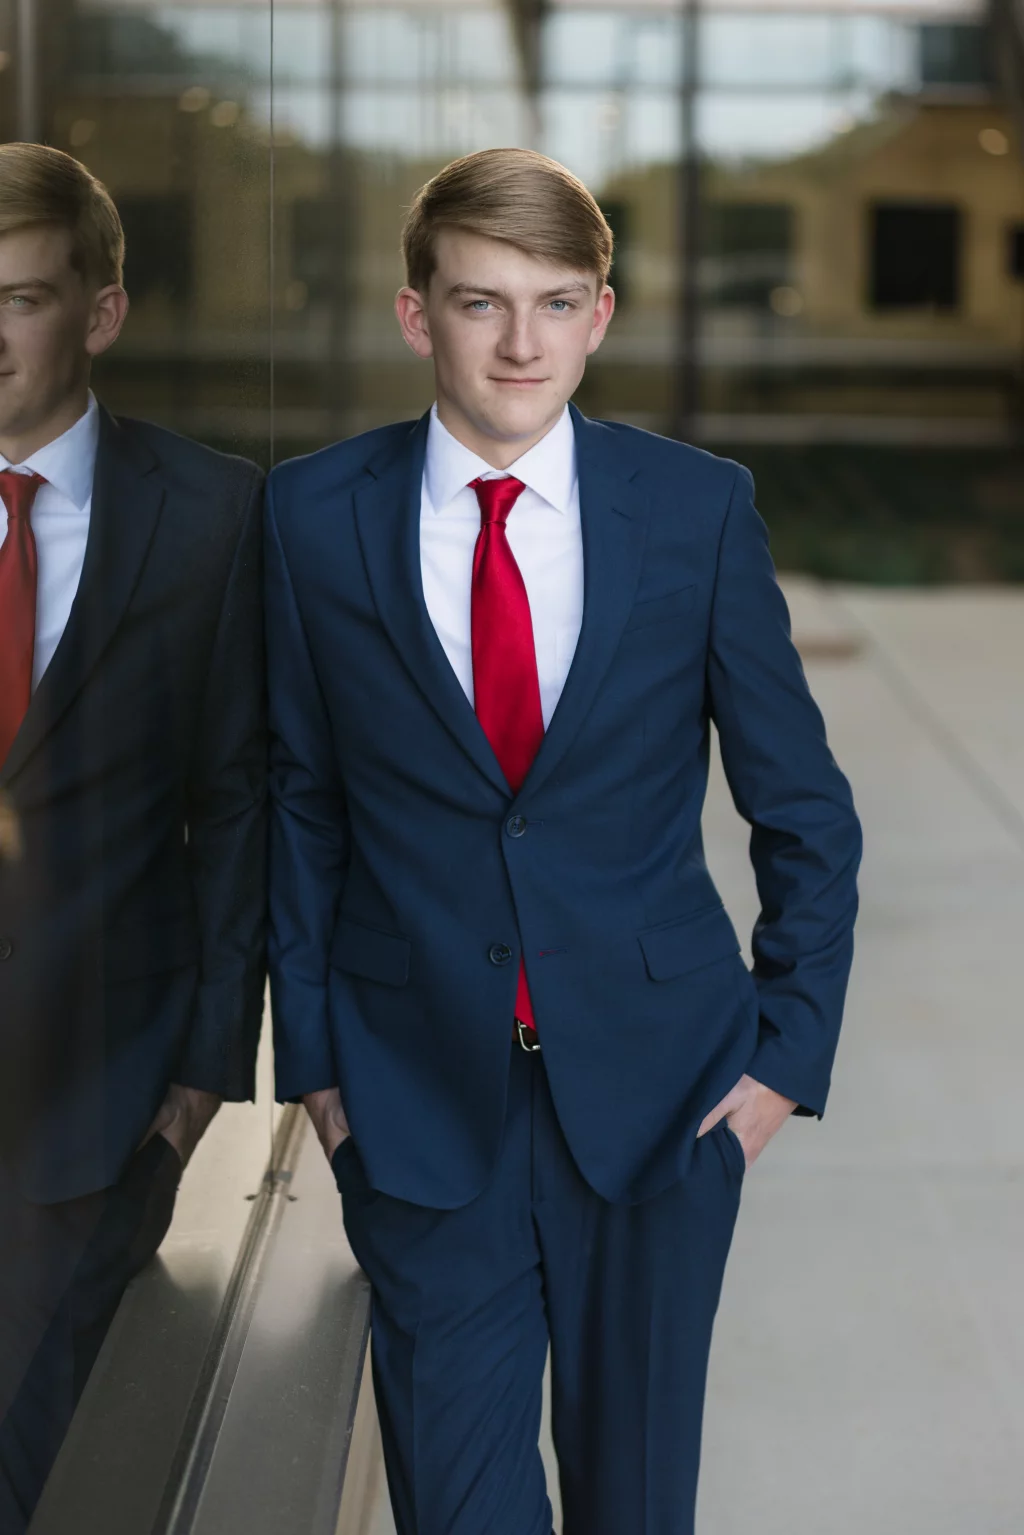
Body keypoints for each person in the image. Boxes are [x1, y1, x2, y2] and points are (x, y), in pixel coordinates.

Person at [266, 147, 861, 1535]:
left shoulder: (696, 510)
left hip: (665, 1103)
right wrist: (315, 1058)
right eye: (481, 302)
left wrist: (785, 1059)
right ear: (418, 315)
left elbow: (804, 807)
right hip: (414, 1105)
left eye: (556, 301)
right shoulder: (309, 518)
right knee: (459, 1506)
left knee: (636, 1505)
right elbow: (299, 792)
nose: (521, 341)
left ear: (602, 313)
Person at [0, 143, 266, 1533]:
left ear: (99, 312)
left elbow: (235, 802)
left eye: (20, 298)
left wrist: (201, 1079)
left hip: (94, 1104)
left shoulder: (212, 517)